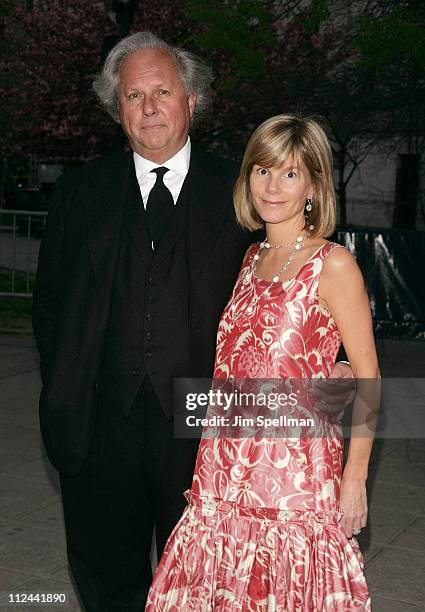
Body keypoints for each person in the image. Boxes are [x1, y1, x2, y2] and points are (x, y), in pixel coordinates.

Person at [32, 31, 351, 610]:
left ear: (192, 101)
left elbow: (296, 289)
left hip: (206, 434)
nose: (149, 107)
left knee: (201, 588)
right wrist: (67, 383)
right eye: (133, 96)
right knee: (105, 578)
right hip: (98, 428)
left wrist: (331, 374)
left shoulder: (244, 192)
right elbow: (50, 305)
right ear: (117, 108)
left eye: (163, 91)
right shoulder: (79, 194)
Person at [147, 115, 379, 610]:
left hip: (292, 479)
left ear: (314, 185)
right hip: (222, 471)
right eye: (262, 170)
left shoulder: (333, 264)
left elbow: (369, 378)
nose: (272, 185)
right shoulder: (250, 257)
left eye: (290, 173)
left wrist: (355, 480)